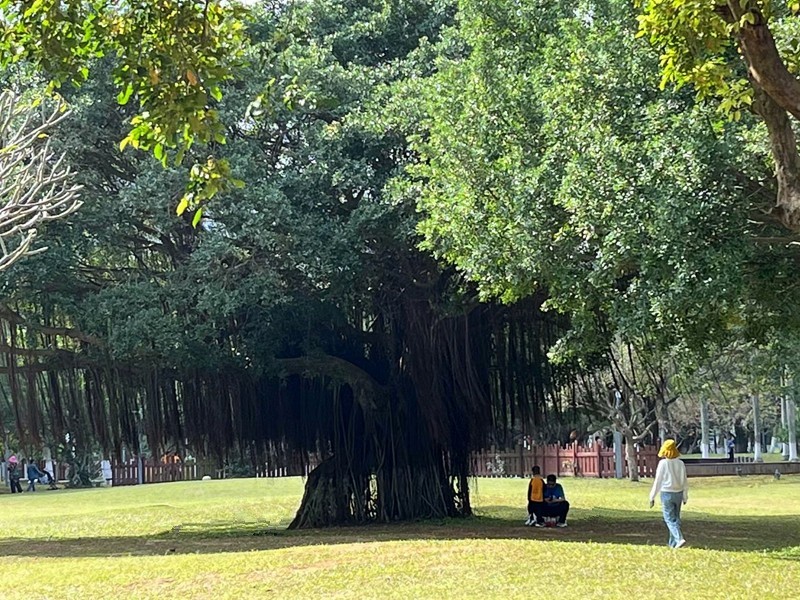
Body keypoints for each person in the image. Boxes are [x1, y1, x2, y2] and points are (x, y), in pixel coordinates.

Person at [649, 439, 688, 548]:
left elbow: (658, 481)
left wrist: (652, 496)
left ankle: (679, 538)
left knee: (669, 519)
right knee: (676, 518)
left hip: (666, 493)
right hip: (679, 493)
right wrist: (685, 496)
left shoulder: (663, 463)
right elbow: (684, 480)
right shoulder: (681, 463)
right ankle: (673, 544)